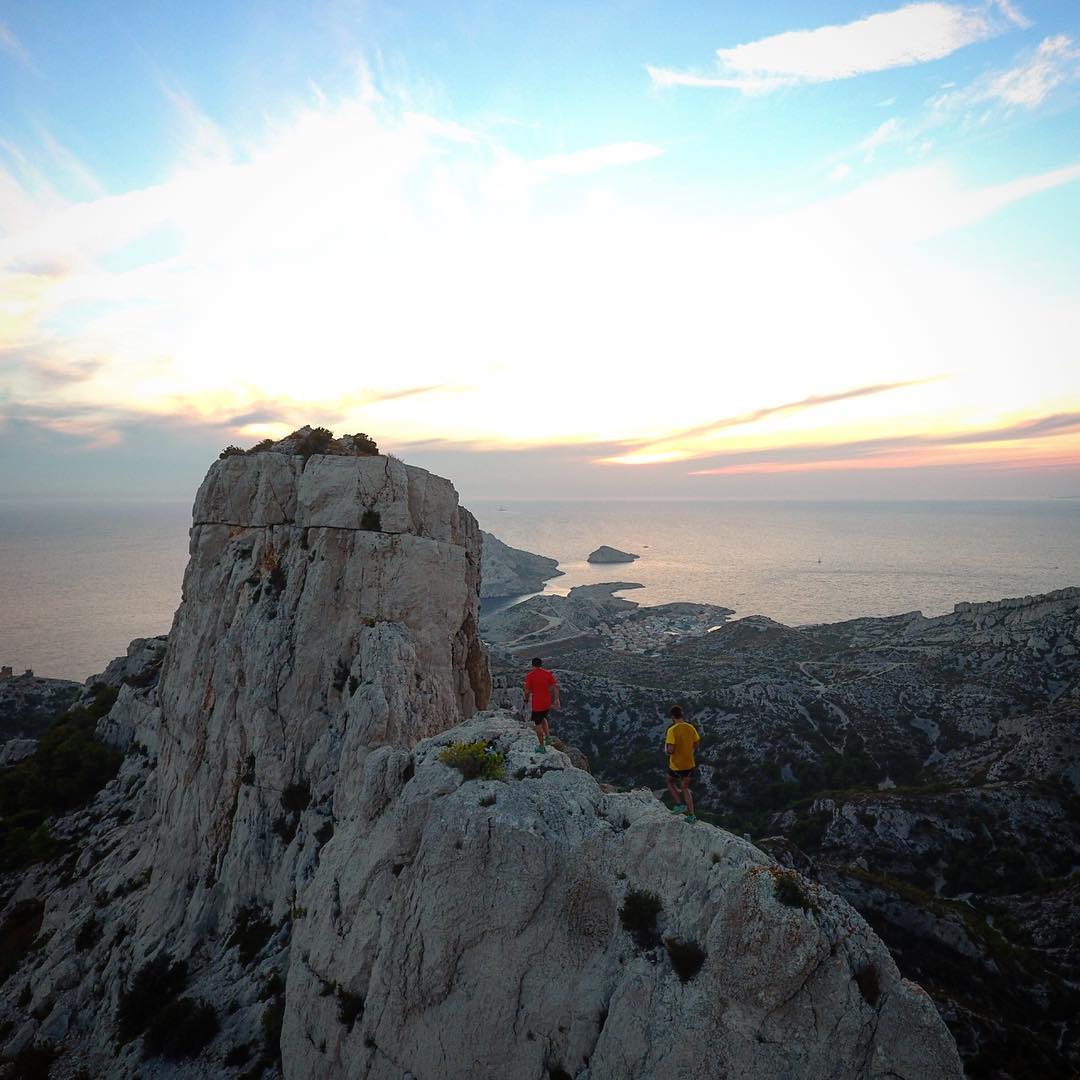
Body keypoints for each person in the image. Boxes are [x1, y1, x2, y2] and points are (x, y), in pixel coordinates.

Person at [664, 705, 700, 822]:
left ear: (672, 717)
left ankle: (679, 805)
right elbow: (696, 742)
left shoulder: (672, 730)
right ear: (682, 714)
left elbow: (670, 750)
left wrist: (666, 749)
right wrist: (690, 752)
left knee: (670, 782)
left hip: (676, 765)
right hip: (689, 763)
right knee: (685, 787)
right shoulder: (690, 727)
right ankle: (692, 815)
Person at [523, 657, 559, 752]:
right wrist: (556, 699)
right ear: (541, 664)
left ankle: (541, 747)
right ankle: (548, 738)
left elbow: (527, 691)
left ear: (532, 665)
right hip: (547, 702)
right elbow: (555, 686)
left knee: (537, 724)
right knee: (543, 718)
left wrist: (526, 699)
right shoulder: (547, 674)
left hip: (537, 704)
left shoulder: (530, 676)